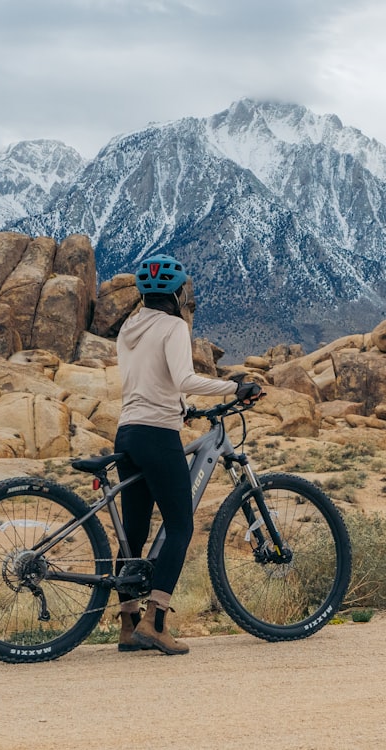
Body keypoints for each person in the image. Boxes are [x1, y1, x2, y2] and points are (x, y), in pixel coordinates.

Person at [113, 253, 261, 655]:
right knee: (180, 526)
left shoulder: (129, 327)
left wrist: (182, 407)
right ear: (178, 294)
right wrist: (235, 387)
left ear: (144, 293)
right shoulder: (174, 325)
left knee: (134, 535)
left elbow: (151, 381)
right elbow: (183, 377)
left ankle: (128, 625)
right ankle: (155, 622)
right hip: (158, 437)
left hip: (127, 434)